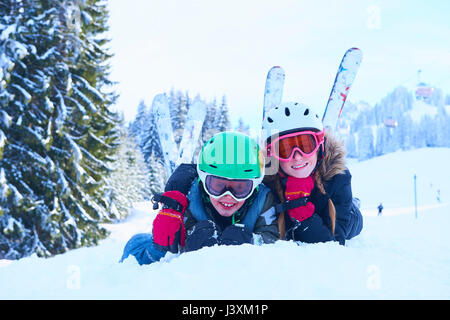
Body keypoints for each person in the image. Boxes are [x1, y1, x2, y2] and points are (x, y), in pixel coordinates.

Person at [120, 132, 279, 265]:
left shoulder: (262, 200)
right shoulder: (189, 198)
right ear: (203, 180)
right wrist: (169, 244)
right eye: (217, 186)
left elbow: (273, 240)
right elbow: (132, 256)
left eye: (240, 188)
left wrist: (252, 241)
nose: (228, 196)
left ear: (255, 186)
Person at [261, 101, 363, 245]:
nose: (297, 157)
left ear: (319, 146)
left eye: (305, 146)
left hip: (346, 215)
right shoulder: (267, 181)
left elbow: (333, 242)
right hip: (312, 220)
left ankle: (352, 204)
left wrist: (299, 209)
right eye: (284, 149)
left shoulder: (337, 177)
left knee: (354, 223)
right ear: (273, 156)